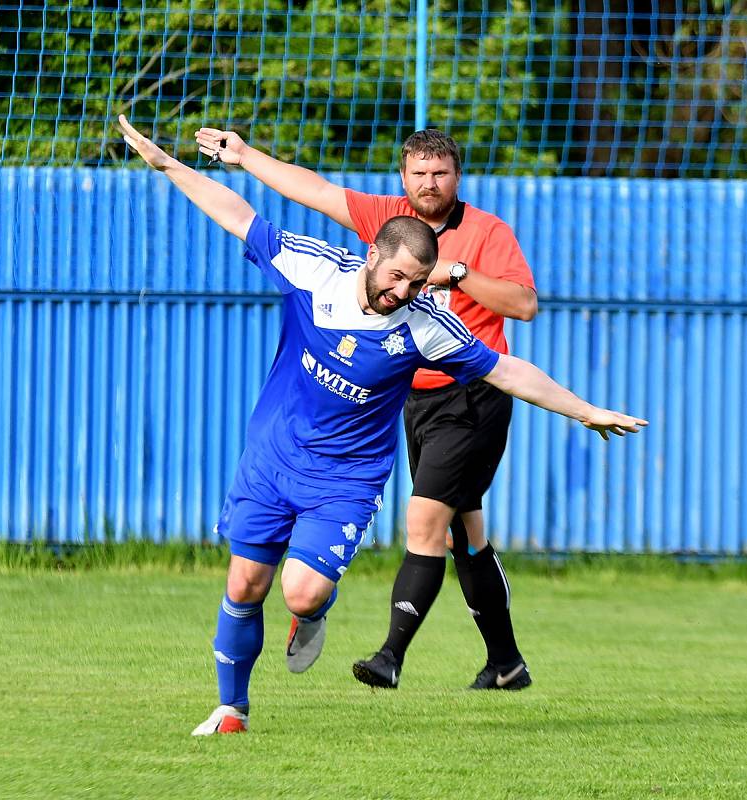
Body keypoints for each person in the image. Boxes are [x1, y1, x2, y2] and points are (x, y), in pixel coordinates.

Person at [119, 113, 645, 736]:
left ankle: (338, 626)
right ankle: (232, 709)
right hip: (272, 456)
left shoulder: (429, 321)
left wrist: (586, 411)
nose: (404, 291)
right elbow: (241, 212)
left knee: (302, 593)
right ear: (372, 253)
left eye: (418, 282)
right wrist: (171, 166)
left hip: (347, 475)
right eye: (396, 276)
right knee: (244, 582)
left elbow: (506, 369)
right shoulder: (316, 271)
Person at [193, 126, 539, 690]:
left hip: (472, 398)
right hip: (410, 400)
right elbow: (317, 192)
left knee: (424, 520)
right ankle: (506, 662)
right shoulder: (390, 223)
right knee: (466, 536)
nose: (429, 183)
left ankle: (389, 658)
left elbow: (523, 304)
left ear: (458, 177)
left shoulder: (484, 232)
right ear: (404, 177)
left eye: (440, 173)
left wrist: (458, 274)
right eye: (419, 173)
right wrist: (246, 155)